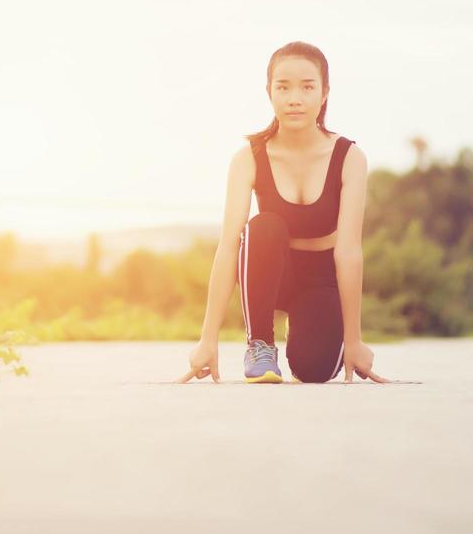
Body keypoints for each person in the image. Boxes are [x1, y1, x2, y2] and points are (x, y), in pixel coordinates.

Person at [177, 41, 415, 385]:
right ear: (269, 92)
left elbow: (348, 252)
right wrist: (207, 339)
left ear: (324, 93)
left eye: (307, 87)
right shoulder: (248, 158)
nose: (294, 98)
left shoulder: (349, 158)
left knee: (313, 371)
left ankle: (304, 328)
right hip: (271, 271)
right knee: (263, 227)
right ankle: (260, 345)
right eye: (283, 87)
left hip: (321, 278)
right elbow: (229, 247)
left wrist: (354, 340)